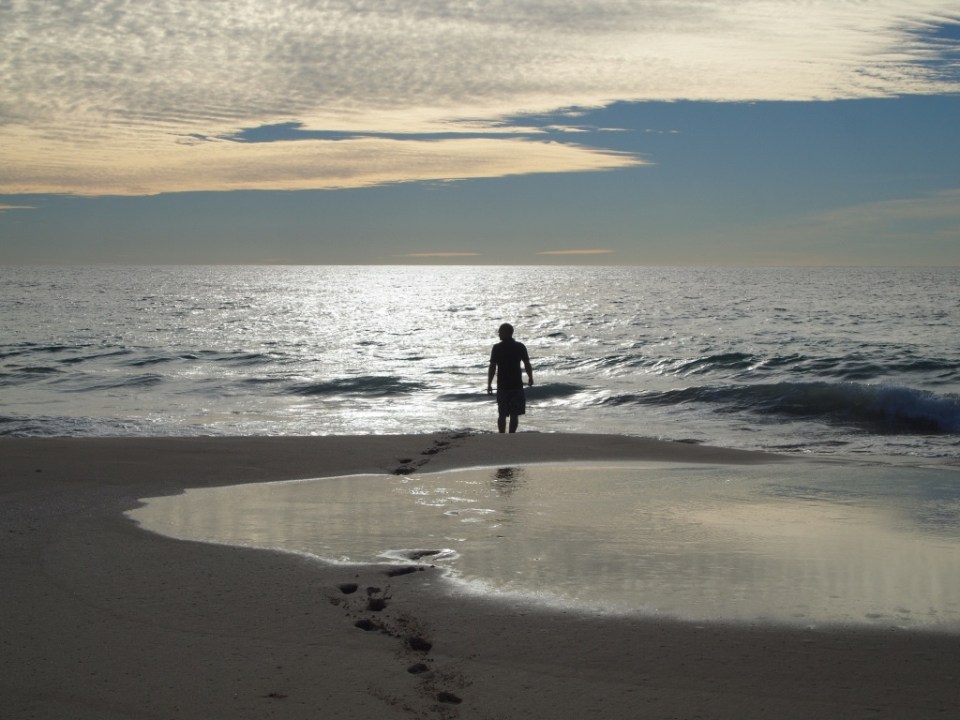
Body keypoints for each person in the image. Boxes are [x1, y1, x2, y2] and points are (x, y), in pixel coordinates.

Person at [486, 323, 534, 433]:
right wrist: (530, 377)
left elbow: (492, 367)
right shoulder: (520, 346)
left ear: (506, 332)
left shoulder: (497, 348)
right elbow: (527, 364)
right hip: (516, 384)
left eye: (500, 331)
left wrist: (489, 384)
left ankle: (502, 435)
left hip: (503, 385)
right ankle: (511, 435)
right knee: (514, 414)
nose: (498, 333)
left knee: (502, 414)